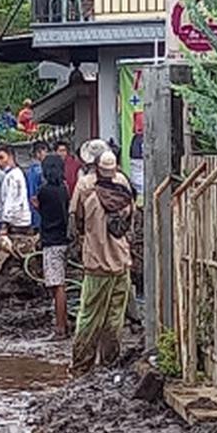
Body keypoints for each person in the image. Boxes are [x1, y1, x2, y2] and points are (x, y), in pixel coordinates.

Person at [70, 149, 134, 373]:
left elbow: (76, 220)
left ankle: (81, 366)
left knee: (88, 316)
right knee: (115, 317)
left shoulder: (85, 186)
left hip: (96, 263)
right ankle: (109, 364)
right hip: (121, 261)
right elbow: (131, 219)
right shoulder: (123, 183)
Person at [37, 154, 70, 340]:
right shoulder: (64, 189)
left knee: (57, 285)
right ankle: (63, 323)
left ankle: (60, 328)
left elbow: (44, 212)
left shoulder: (44, 191)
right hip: (63, 238)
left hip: (51, 241)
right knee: (59, 284)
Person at [0, 145, 30, 235]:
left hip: (15, 221)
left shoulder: (13, 176)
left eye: (1, 158)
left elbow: (11, 200)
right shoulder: (13, 174)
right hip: (19, 219)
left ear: (10, 157)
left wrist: (5, 223)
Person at [26, 141, 48, 230]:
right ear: (38, 153)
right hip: (37, 206)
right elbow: (32, 191)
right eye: (45, 152)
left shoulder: (32, 169)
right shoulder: (37, 170)